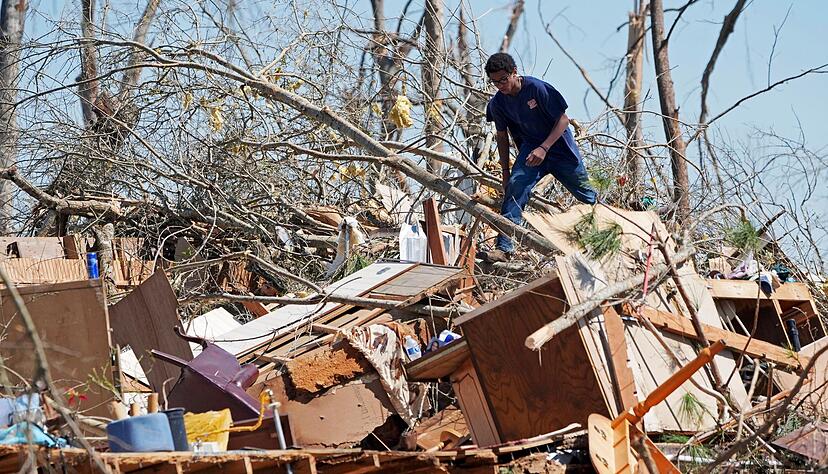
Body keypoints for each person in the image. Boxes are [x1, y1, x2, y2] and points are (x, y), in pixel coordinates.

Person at [481, 53, 596, 262]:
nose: (500, 86)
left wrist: (545, 147)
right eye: (495, 82)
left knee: (587, 196)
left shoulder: (537, 88)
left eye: (503, 80)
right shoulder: (498, 103)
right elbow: (501, 136)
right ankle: (504, 248)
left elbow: (563, 120)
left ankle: (606, 237)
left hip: (560, 149)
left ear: (514, 72)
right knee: (515, 187)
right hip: (531, 151)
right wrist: (506, 172)